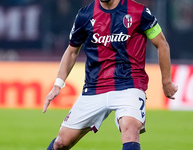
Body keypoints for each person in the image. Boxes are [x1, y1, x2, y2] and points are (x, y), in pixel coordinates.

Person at [43, 0, 178, 149]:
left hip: (129, 84)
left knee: (130, 128)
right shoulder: (85, 15)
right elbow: (72, 51)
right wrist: (58, 84)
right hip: (95, 87)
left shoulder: (139, 12)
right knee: (61, 143)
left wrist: (166, 82)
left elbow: (162, 44)